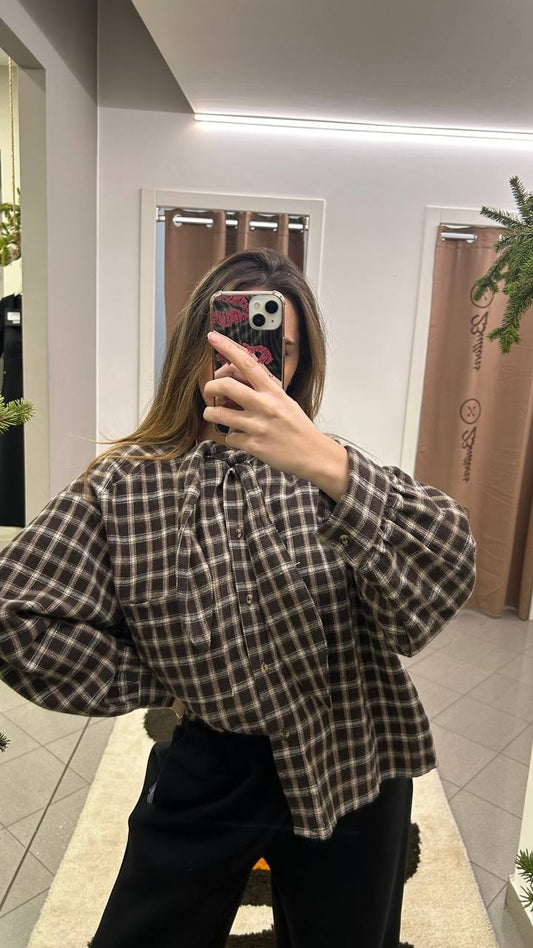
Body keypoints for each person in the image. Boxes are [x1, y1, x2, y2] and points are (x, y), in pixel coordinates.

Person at [0, 248, 476, 948]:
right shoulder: (124, 484)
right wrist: (168, 676)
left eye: (282, 348)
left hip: (352, 748)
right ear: (195, 346)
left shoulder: (330, 465)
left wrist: (329, 466)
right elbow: (17, 619)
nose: (255, 360)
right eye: (234, 338)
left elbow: (445, 570)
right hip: (212, 759)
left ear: (299, 364)